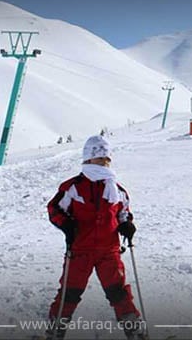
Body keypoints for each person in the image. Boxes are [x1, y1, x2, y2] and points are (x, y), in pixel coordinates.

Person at [45, 136, 144, 340]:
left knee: (119, 292)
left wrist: (127, 224)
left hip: (109, 250)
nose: (104, 163)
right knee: (70, 293)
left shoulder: (116, 189)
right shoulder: (73, 187)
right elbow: (54, 209)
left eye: (106, 160)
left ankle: (134, 330)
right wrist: (67, 226)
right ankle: (55, 331)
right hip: (80, 250)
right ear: (88, 160)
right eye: (99, 159)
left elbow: (123, 212)